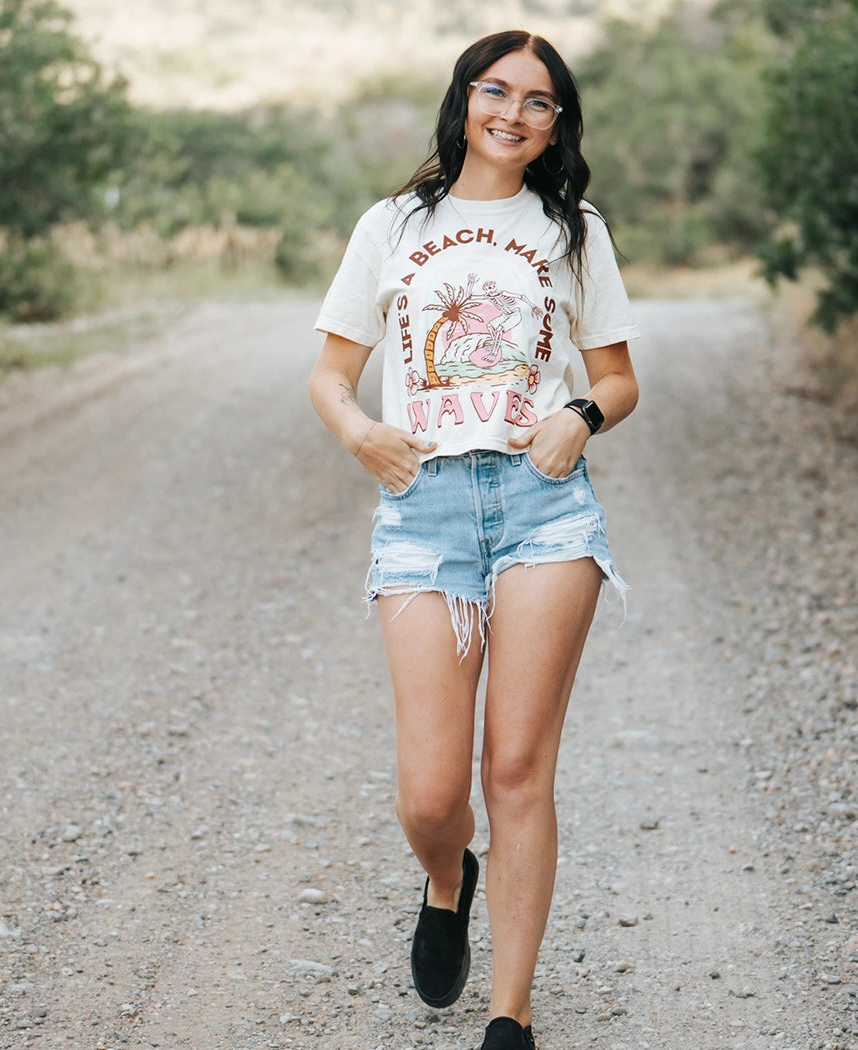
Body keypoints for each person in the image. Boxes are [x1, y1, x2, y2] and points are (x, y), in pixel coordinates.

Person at [309, 29, 639, 1050]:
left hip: (545, 510)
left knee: (517, 771)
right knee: (432, 792)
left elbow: (619, 379)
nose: (514, 113)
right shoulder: (394, 224)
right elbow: (331, 373)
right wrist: (364, 433)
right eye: (496, 91)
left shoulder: (573, 229)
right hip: (426, 511)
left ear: (555, 127)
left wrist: (577, 418)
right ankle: (447, 879)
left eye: (539, 102)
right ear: (463, 101)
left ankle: (512, 1014)